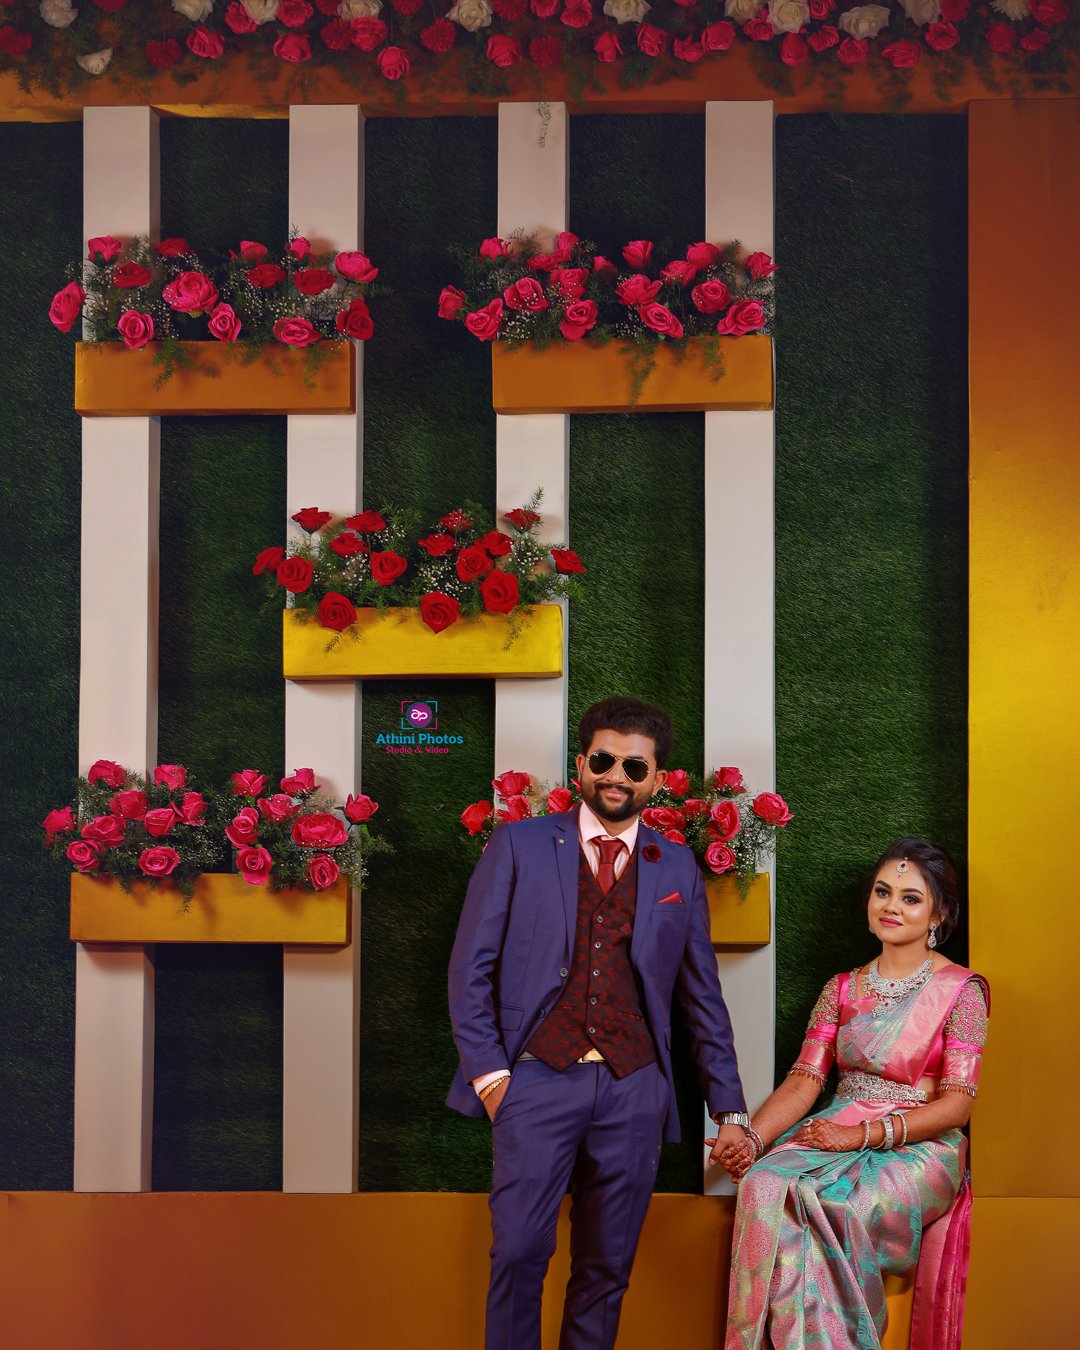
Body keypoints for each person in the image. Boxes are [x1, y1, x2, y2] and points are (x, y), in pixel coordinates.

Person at [447, 695, 748, 1350]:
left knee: (607, 1268)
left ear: (657, 781)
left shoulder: (675, 868)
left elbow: (701, 997)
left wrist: (730, 1108)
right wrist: (495, 1078)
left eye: (634, 768)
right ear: (581, 764)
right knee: (521, 1253)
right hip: (533, 1082)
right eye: (604, 760)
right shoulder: (520, 844)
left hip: (633, 1088)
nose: (617, 776)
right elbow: (469, 968)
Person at [716, 837, 989, 1350]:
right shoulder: (842, 987)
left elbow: (957, 1105)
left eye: (911, 897)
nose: (891, 906)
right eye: (883, 892)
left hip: (919, 1144)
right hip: (833, 1128)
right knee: (764, 1183)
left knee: (838, 1203)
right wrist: (754, 1139)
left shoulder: (961, 990)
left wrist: (862, 1134)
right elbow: (804, 1080)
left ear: (940, 913)